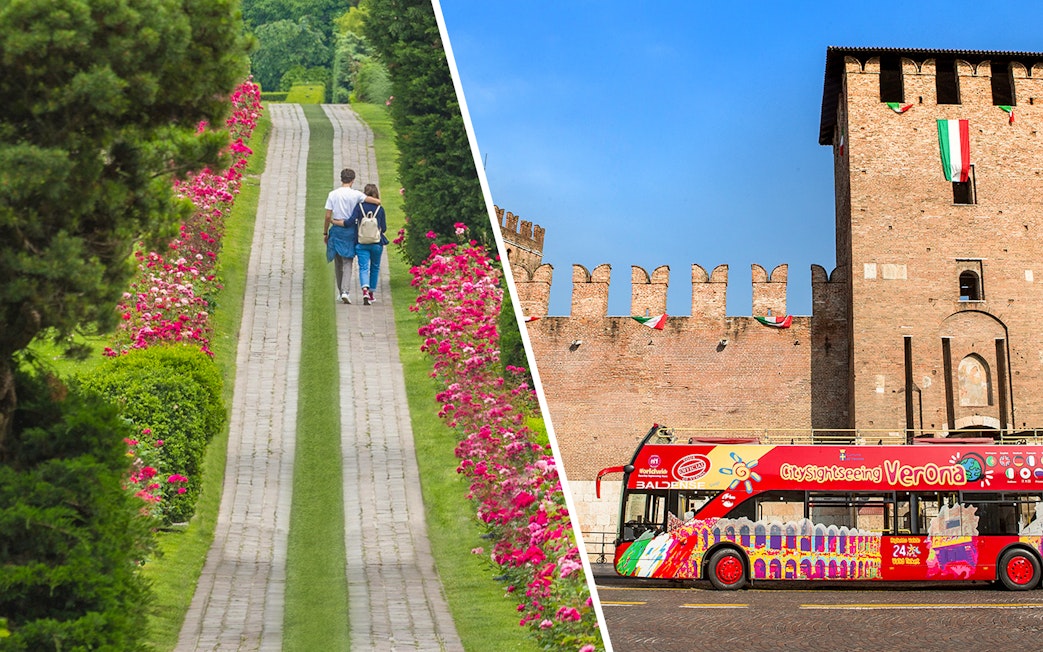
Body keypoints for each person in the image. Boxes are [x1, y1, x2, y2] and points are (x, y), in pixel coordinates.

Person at [324, 168, 380, 303]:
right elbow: (377, 202)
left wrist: (325, 231)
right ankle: (345, 291)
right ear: (353, 180)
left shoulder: (333, 194)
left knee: (338, 263)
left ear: (341, 179)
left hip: (336, 229)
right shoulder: (356, 195)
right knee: (347, 261)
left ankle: (340, 291)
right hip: (350, 230)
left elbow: (327, 216)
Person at [350, 184, 388, 306]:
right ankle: (371, 293)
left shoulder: (359, 207)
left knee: (363, 267)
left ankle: (364, 290)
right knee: (375, 267)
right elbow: (384, 228)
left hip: (361, 242)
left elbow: (352, 222)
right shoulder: (380, 209)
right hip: (376, 243)